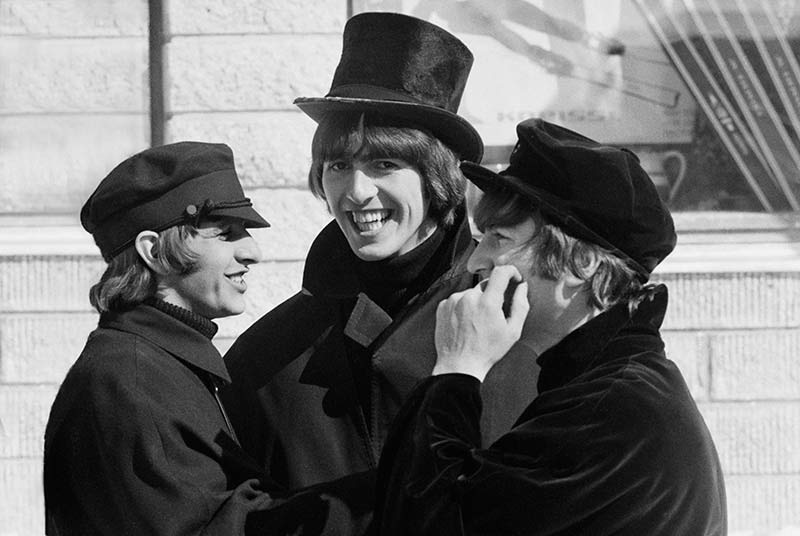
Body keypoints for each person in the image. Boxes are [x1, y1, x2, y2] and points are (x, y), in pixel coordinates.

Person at [221, 12, 540, 534]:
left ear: (438, 177)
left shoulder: (523, 329)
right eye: (339, 166)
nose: (357, 191)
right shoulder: (265, 361)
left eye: (386, 165)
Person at [373, 118, 728, 535]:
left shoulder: (606, 415)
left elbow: (427, 522)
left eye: (500, 238)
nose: (475, 262)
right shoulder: (616, 388)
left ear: (582, 264)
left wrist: (457, 369)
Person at [42, 142, 326, 535]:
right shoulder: (132, 380)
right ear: (154, 251)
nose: (253, 251)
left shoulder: (157, 363)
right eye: (226, 234)